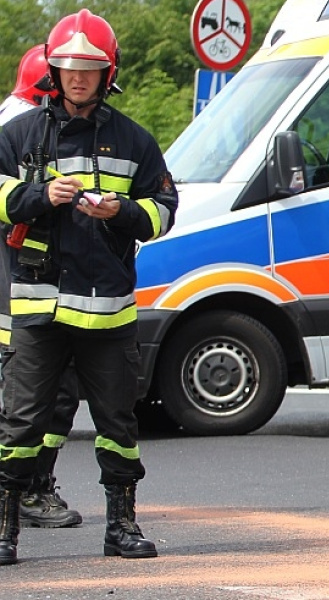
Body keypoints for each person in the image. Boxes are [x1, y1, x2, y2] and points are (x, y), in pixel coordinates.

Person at [0, 9, 179, 565]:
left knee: (118, 424)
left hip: (107, 313)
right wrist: (39, 198)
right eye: (70, 67)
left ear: (108, 73)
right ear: (53, 70)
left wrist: (121, 211)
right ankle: (5, 532)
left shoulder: (134, 139)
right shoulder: (18, 135)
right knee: (21, 424)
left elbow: (164, 212)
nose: (79, 77)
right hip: (39, 309)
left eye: (90, 68)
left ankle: (121, 528)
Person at [0, 44, 85, 531]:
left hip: (33, 279)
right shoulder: (27, 133)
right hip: (25, 282)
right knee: (44, 393)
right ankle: (29, 489)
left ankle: (26, 487)